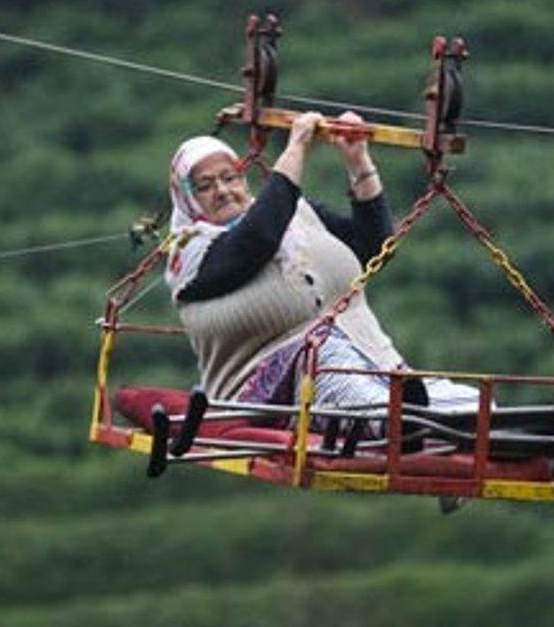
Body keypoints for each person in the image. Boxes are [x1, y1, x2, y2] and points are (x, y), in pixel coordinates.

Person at [164, 110, 477, 421]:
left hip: (372, 360)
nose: (222, 191)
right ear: (186, 198)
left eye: (229, 178)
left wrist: (358, 162)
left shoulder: (298, 213)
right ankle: (391, 420)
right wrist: (297, 147)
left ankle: (450, 419)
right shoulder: (189, 252)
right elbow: (257, 239)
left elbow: (374, 248)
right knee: (330, 361)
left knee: (467, 403)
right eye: (205, 186)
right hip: (277, 387)